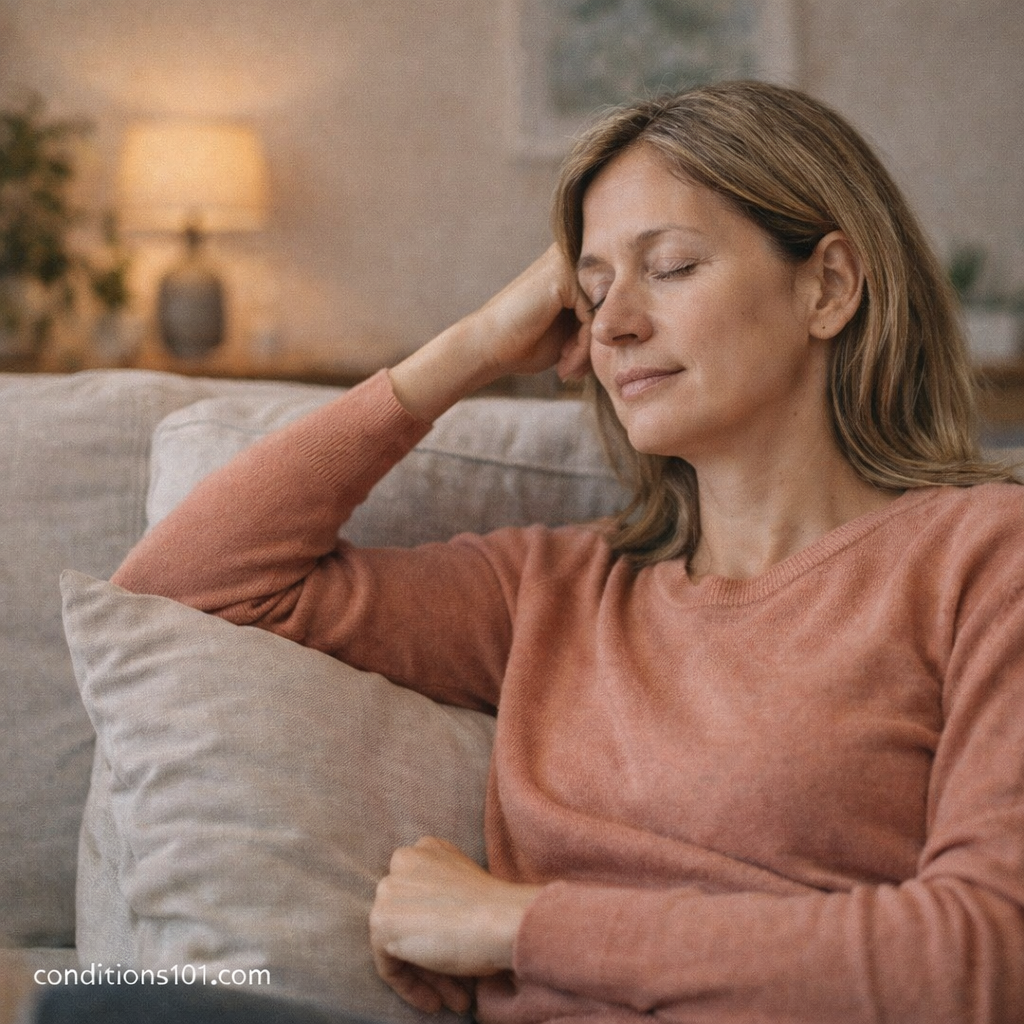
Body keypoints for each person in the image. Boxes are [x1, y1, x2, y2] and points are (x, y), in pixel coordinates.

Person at [49, 81, 1024, 1022]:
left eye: (673, 266)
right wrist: (470, 346)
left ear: (829, 285)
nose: (615, 324)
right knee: (104, 1008)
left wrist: (516, 924)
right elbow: (184, 588)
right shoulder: (551, 591)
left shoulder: (981, 558)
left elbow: (980, 963)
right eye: (590, 291)